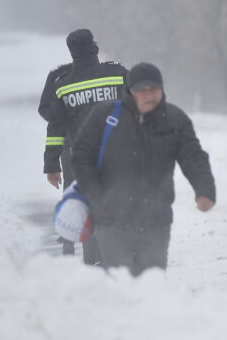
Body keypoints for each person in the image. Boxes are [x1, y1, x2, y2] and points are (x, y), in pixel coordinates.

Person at [71, 62, 216, 276]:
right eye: (143, 90)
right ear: (130, 91)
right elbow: (81, 156)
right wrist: (97, 195)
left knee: (152, 282)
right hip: (112, 219)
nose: (150, 96)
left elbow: (193, 157)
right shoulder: (106, 117)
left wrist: (204, 190)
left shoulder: (175, 119)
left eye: (154, 90)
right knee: (121, 281)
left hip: (155, 221)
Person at [44, 28, 128, 263]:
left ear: (72, 53)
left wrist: (51, 165)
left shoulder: (62, 85)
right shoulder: (118, 73)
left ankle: (93, 260)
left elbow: (55, 129)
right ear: (94, 48)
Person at [37, 59, 71, 254]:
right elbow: (45, 108)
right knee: (72, 189)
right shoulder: (59, 75)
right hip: (70, 142)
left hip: (77, 143)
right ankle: (69, 233)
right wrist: (66, 121)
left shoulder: (105, 72)